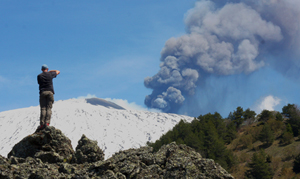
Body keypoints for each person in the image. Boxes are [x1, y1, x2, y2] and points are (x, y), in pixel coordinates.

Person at [37, 64, 60, 130]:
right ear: (47, 69)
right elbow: (58, 71)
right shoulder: (50, 74)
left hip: (42, 92)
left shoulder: (39, 76)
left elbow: (39, 83)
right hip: (50, 92)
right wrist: (50, 71)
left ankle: (42, 124)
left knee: (43, 108)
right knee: (49, 108)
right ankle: (47, 123)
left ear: (41, 69)